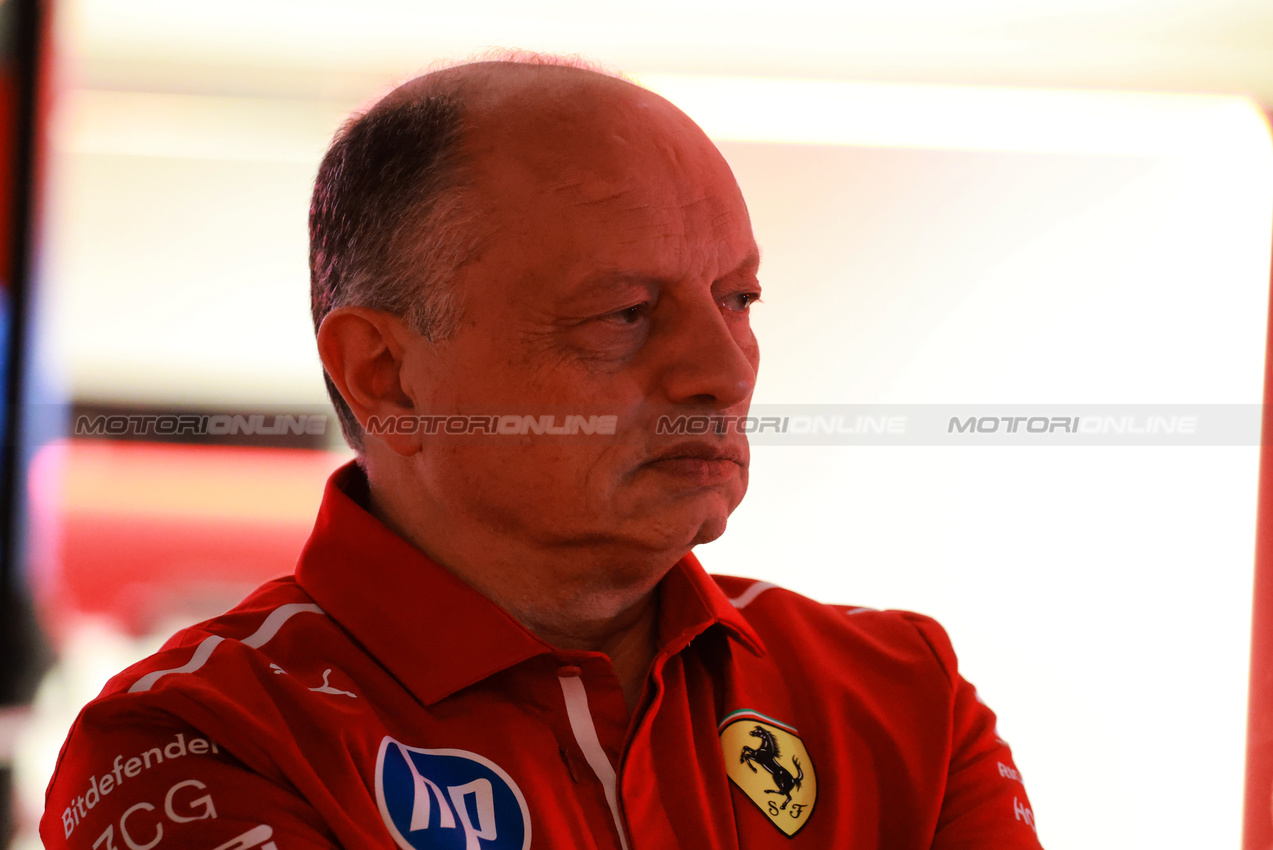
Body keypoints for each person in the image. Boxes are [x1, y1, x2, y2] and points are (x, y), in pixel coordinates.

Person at [41, 56, 1044, 849]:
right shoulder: (199, 741)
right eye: (624, 312)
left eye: (737, 300)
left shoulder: (898, 693)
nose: (722, 368)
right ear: (384, 373)